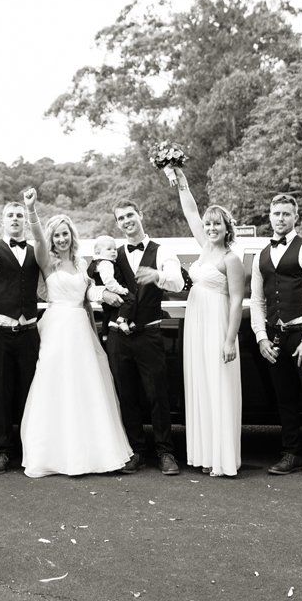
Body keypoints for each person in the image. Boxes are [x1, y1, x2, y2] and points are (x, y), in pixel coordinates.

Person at [19, 188, 131, 477]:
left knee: (86, 386)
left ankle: (92, 452)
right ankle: (54, 454)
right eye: (56, 234)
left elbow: (87, 290)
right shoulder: (47, 261)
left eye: (65, 233)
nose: (61, 239)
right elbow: (37, 236)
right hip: (57, 327)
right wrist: (30, 209)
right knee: (55, 385)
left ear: (72, 235)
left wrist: (104, 294)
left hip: (81, 328)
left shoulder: (82, 263)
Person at [250, 193, 302, 483]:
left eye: (287, 214)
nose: (281, 218)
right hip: (274, 337)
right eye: (277, 214)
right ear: (270, 216)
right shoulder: (261, 255)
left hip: (301, 334)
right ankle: (291, 454)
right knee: (283, 399)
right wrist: (261, 337)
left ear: (295, 217)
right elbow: (257, 301)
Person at [171, 168, 244, 477]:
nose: (211, 227)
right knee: (201, 383)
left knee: (218, 386)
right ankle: (204, 454)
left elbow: (238, 300)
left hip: (217, 325)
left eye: (218, 224)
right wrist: (182, 181)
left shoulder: (231, 259)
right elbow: (190, 210)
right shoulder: (204, 247)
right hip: (196, 324)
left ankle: (222, 458)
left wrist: (230, 340)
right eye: (209, 224)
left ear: (228, 228)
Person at [107, 201, 186, 476]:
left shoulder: (162, 251)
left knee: (157, 394)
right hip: (118, 336)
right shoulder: (112, 255)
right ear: (117, 224)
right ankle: (136, 451)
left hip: (150, 333)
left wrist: (157, 275)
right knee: (125, 395)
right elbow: (95, 287)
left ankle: (166, 452)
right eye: (121, 218)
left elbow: (178, 283)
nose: (127, 221)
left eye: (131, 215)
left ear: (141, 215)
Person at [0, 202, 41, 475]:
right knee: (1, 393)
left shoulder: (36, 249)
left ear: (24, 221)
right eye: (10, 215)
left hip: (29, 333)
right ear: (2, 221)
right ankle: (3, 451)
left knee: (32, 393)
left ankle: (31, 448)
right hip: (0, 333)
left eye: (19, 215)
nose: (15, 219)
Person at [87, 236, 133, 333]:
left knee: (107, 313)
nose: (113, 251)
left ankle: (105, 334)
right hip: (112, 291)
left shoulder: (96, 262)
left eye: (115, 249)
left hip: (104, 295)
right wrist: (121, 290)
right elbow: (109, 281)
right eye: (109, 249)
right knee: (131, 299)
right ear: (98, 252)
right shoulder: (106, 264)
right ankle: (122, 319)